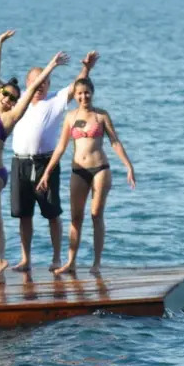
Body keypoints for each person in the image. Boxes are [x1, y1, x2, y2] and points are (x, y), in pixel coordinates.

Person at [0, 30, 69, 285]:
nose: (9, 99)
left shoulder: (9, 118)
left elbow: (31, 90)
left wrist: (51, 66)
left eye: (13, 98)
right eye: (6, 94)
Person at [8, 51, 99, 272]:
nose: (40, 86)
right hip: (20, 163)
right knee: (23, 214)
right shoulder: (19, 100)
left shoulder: (55, 100)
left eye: (45, 82)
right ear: (28, 83)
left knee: (52, 213)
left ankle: (57, 258)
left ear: (49, 84)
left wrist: (86, 68)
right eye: (36, 82)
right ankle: (26, 259)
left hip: (45, 163)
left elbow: (76, 88)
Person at [37, 76, 136, 274]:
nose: (84, 97)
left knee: (96, 214)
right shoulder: (70, 117)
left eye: (87, 93)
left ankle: (96, 263)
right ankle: (71, 262)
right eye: (80, 94)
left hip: (100, 169)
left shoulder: (101, 115)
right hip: (78, 170)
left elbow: (115, 142)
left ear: (92, 93)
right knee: (76, 217)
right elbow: (61, 147)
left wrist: (128, 166)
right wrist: (47, 172)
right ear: (75, 96)